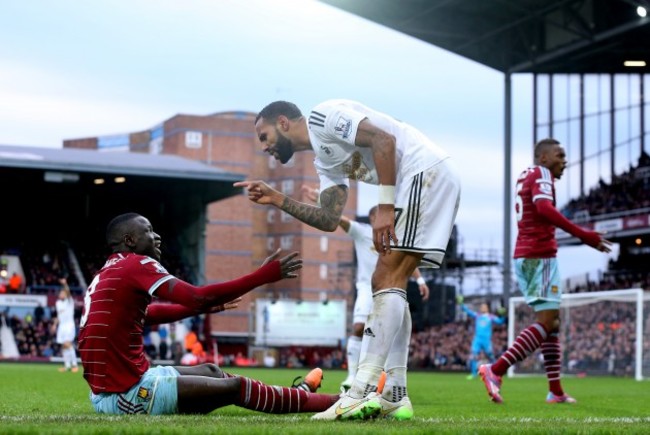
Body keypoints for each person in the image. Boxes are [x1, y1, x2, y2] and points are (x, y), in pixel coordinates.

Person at [234, 100, 461, 421]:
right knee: (391, 279)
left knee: (385, 278)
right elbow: (329, 219)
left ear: (283, 122)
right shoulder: (324, 161)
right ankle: (395, 394)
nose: (264, 147)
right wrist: (277, 198)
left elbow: (384, 140)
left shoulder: (323, 116)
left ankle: (360, 391)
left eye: (263, 136)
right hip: (426, 176)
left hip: (424, 172)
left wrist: (384, 207)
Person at [78, 212, 339, 415]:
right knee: (234, 388)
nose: (157, 236)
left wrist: (195, 307)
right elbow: (198, 296)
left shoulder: (107, 271)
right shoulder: (137, 263)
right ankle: (335, 403)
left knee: (212, 370)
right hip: (127, 394)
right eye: (148, 231)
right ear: (130, 241)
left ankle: (300, 394)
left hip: (115, 390)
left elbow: (148, 315)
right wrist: (263, 276)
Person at [479, 138, 612, 404]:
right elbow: (543, 208)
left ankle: (556, 391)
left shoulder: (527, 175)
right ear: (543, 158)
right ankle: (496, 369)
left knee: (553, 324)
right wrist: (584, 235)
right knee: (546, 322)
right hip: (539, 256)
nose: (564, 161)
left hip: (527, 255)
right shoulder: (541, 173)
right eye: (559, 155)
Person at [302, 185, 430, 391]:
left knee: (390, 332)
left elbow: (407, 261)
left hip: (389, 288)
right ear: (372, 218)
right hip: (366, 288)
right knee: (359, 328)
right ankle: (352, 376)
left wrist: (421, 281)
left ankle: (387, 382)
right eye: (377, 215)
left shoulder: (394, 237)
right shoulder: (362, 232)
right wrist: (320, 199)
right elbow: (340, 220)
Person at [455, 295, 505, 380]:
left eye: (484, 306)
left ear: (487, 308)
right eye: (481, 307)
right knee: (473, 355)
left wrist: (503, 315)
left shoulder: (490, 317)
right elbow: (468, 311)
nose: (482, 308)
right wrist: (461, 304)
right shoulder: (477, 316)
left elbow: (500, 322)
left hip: (486, 340)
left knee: (491, 356)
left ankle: (497, 372)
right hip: (477, 339)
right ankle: (473, 374)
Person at [52, 277, 79, 372]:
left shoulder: (69, 301)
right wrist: (54, 325)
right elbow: (59, 315)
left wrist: (65, 284)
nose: (61, 294)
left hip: (69, 326)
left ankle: (75, 365)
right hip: (61, 326)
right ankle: (67, 366)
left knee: (68, 344)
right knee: (63, 346)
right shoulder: (58, 303)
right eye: (60, 293)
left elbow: (68, 292)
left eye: (63, 293)